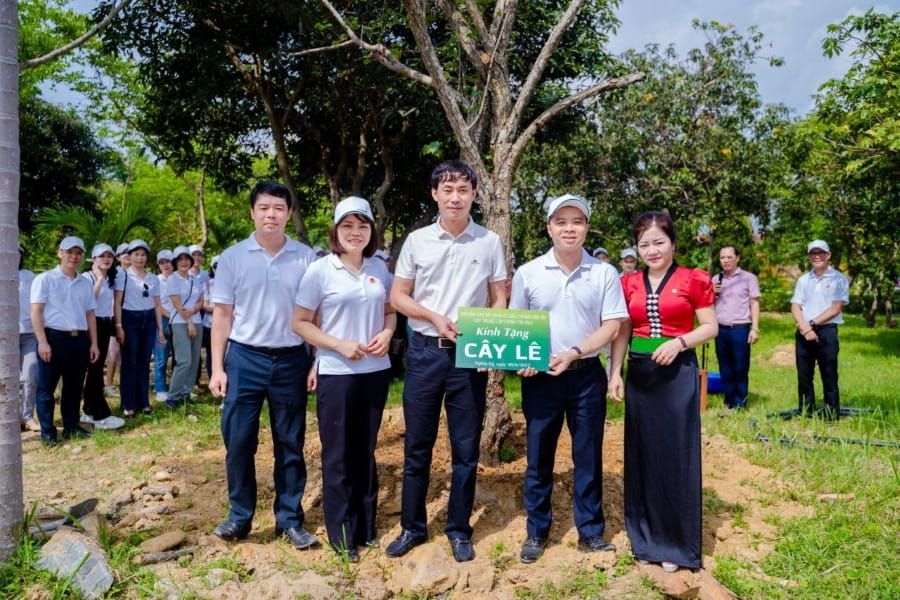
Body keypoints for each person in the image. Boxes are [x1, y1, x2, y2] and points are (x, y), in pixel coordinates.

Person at [385, 160, 507, 563]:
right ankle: (412, 527)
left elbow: (499, 296)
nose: (456, 198)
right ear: (435, 194)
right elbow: (398, 297)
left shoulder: (488, 241)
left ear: (474, 195)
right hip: (424, 352)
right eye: (447, 190)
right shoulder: (417, 240)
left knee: (466, 449)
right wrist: (432, 316)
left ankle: (458, 529)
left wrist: (488, 336)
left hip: (468, 355)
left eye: (463, 190)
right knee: (417, 446)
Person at [509, 194, 628, 564]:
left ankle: (590, 532)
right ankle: (536, 532)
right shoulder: (528, 272)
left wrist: (575, 351)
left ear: (587, 228)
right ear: (549, 228)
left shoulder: (604, 273)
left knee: (588, 456)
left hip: (586, 376)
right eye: (561, 222)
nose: (569, 228)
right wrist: (524, 361)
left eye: (577, 221)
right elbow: (517, 326)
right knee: (538, 457)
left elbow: (612, 325)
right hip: (541, 378)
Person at [209, 181, 319, 550]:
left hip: (291, 359)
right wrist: (217, 368)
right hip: (244, 358)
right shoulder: (233, 257)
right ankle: (240, 517)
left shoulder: (306, 258)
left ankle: (289, 520)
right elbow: (222, 315)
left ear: (289, 213)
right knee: (239, 441)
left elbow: (316, 315)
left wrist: (316, 361)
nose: (271, 215)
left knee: (290, 442)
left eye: (279, 208)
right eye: (264, 208)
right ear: (252, 212)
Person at [608, 211, 717, 573]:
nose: (652, 250)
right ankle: (645, 539)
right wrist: (615, 372)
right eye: (644, 244)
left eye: (659, 242)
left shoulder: (693, 279)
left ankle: (676, 543)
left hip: (677, 374)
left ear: (672, 243)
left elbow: (710, 327)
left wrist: (679, 342)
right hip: (641, 375)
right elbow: (623, 331)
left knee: (675, 454)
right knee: (643, 454)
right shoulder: (628, 283)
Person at [293, 196, 395, 562]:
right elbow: (300, 322)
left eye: (362, 225)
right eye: (347, 226)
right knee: (337, 453)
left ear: (371, 231)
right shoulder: (321, 270)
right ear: (336, 231)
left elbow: (389, 312)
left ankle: (366, 527)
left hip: (375, 373)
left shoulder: (379, 268)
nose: (355, 232)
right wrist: (338, 344)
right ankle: (342, 533)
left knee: (365, 451)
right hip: (337, 374)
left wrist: (387, 334)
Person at [31, 236, 100, 446]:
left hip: (79, 340)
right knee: (46, 389)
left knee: (74, 387)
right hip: (53, 339)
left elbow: (90, 314)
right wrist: (42, 341)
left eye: (78, 253)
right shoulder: (45, 279)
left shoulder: (85, 282)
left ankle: (71, 426)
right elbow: (36, 312)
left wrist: (94, 343)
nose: (74, 256)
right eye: (69, 252)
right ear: (60, 253)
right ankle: (48, 432)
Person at [790, 240, 849, 420]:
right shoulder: (803, 279)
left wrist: (812, 324)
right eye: (813, 253)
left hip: (826, 331)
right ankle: (806, 411)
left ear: (828, 255)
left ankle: (831, 414)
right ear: (809, 257)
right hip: (804, 330)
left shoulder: (839, 279)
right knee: (804, 375)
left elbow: (836, 308)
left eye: (821, 252)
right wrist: (804, 327)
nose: (817, 256)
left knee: (829, 373)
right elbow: (795, 305)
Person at [114, 239, 165, 418]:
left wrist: (160, 329)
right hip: (130, 320)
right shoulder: (123, 276)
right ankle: (128, 403)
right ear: (129, 256)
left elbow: (157, 304)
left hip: (148, 320)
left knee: (144, 362)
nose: (140, 258)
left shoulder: (152, 278)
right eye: (136, 254)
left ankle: (144, 401)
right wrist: (119, 326)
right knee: (130, 363)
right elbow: (117, 302)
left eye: (143, 255)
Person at [80, 243, 125, 430]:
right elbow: (89, 301)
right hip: (92, 324)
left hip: (106, 324)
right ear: (94, 259)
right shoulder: (87, 277)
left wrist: (118, 326)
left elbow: (116, 304)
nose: (106, 259)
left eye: (109, 256)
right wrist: (98, 278)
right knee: (95, 369)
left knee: (97, 368)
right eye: (102, 256)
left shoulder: (112, 278)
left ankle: (90, 410)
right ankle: (97, 413)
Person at [712, 245, 760, 410]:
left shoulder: (749, 278)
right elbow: (709, 304)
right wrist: (712, 293)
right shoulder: (716, 279)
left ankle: (740, 403)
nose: (725, 261)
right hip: (720, 329)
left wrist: (755, 328)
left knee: (740, 366)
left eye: (729, 257)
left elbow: (754, 303)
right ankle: (728, 400)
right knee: (724, 366)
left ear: (737, 258)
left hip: (740, 328)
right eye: (722, 257)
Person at [167, 246, 204, 407]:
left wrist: (194, 310)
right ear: (175, 262)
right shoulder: (172, 279)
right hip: (180, 323)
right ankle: (173, 396)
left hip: (197, 321)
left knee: (194, 360)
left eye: (186, 259)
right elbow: (177, 304)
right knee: (184, 360)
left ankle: (186, 392)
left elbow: (201, 299)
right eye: (180, 259)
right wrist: (189, 323)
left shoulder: (195, 278)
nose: (184, 262)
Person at [18, 244, 41, 432]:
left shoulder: (29, 276)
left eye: (17, 253)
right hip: (4, 336)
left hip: (28, 334)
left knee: (31, 375)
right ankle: (8, 416)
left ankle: (27, 416)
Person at [104, 243, 131, 396]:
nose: (127, 255)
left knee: (126, 352)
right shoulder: (115, 273)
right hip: (115, 315)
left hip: (131, 315)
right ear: (118, 257)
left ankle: (123, 383)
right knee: (113, 351)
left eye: (129, 252)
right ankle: (108, 384)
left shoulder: (136, 273)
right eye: (123, 253)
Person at [189, 244, 212, 388]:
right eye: (194, 255)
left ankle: (199, 380)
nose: (197, 258)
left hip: (205, 315)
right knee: (191, 350)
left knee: (200, 348)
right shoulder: (184, 274)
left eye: (199, 255)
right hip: (189, 314)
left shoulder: (205, 275)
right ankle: (191, 381)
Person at [154, 249, 174, 402]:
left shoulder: (180, 278)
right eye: (162, 263)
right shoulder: (156, 281)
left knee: (179, 357)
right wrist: (172, 316)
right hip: (163, 321)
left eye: (168, 261)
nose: (165, 265)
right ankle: (160, 388)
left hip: (180, 321)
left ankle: (177, 387)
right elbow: (157, 304)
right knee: (161, 357)